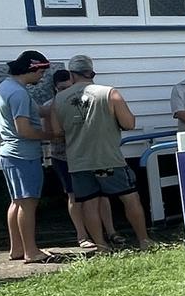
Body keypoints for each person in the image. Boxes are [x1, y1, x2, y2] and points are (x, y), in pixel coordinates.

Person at [52, 55, 153, 252]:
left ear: (71, 74)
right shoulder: (110, 93)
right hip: (108, 159)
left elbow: (57, 133)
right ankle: (144, 240)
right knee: (129, 197)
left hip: (78, 161)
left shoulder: (59, 99)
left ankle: (101, 245)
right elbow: (129, 123)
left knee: (89, 203)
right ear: (91, 71)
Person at [0, 50, 60, 264]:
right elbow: (24, 129)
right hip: (23, 155)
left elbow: (36, 111)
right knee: (28, 204)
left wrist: (57, 102)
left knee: (17, 202)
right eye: (41, 72)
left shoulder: (8, 86)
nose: (42, 77)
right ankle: (32, 252)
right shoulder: (19, 93)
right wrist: (50, 136)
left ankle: (17, 249)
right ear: (32, 68)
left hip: (10, 154)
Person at [45, 69, 118, 249]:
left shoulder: (87, 101)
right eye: (61, 89)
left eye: (69, 87)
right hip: (64, 157)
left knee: (102, 194)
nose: (65, 91)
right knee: (74, 196)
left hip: (92, 155)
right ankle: (82, 235)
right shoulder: (51, 105)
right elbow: (53, 134)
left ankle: (111, 232)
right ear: (55, 88)